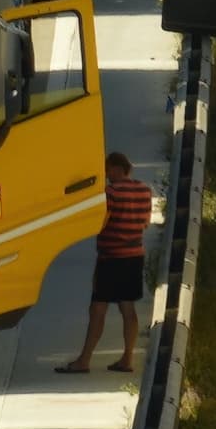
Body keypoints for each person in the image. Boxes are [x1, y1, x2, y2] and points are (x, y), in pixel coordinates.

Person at [57, 150, 155, 374]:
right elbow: (146, 222)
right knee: (128, 308)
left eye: (107, 169)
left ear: (116, 168)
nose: (105, 174)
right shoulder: (144, 190)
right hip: (134, 256)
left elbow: (100, 223)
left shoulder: (110, 192)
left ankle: (84, 360)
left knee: (98, 309)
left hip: (111, 258)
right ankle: (127, 359)